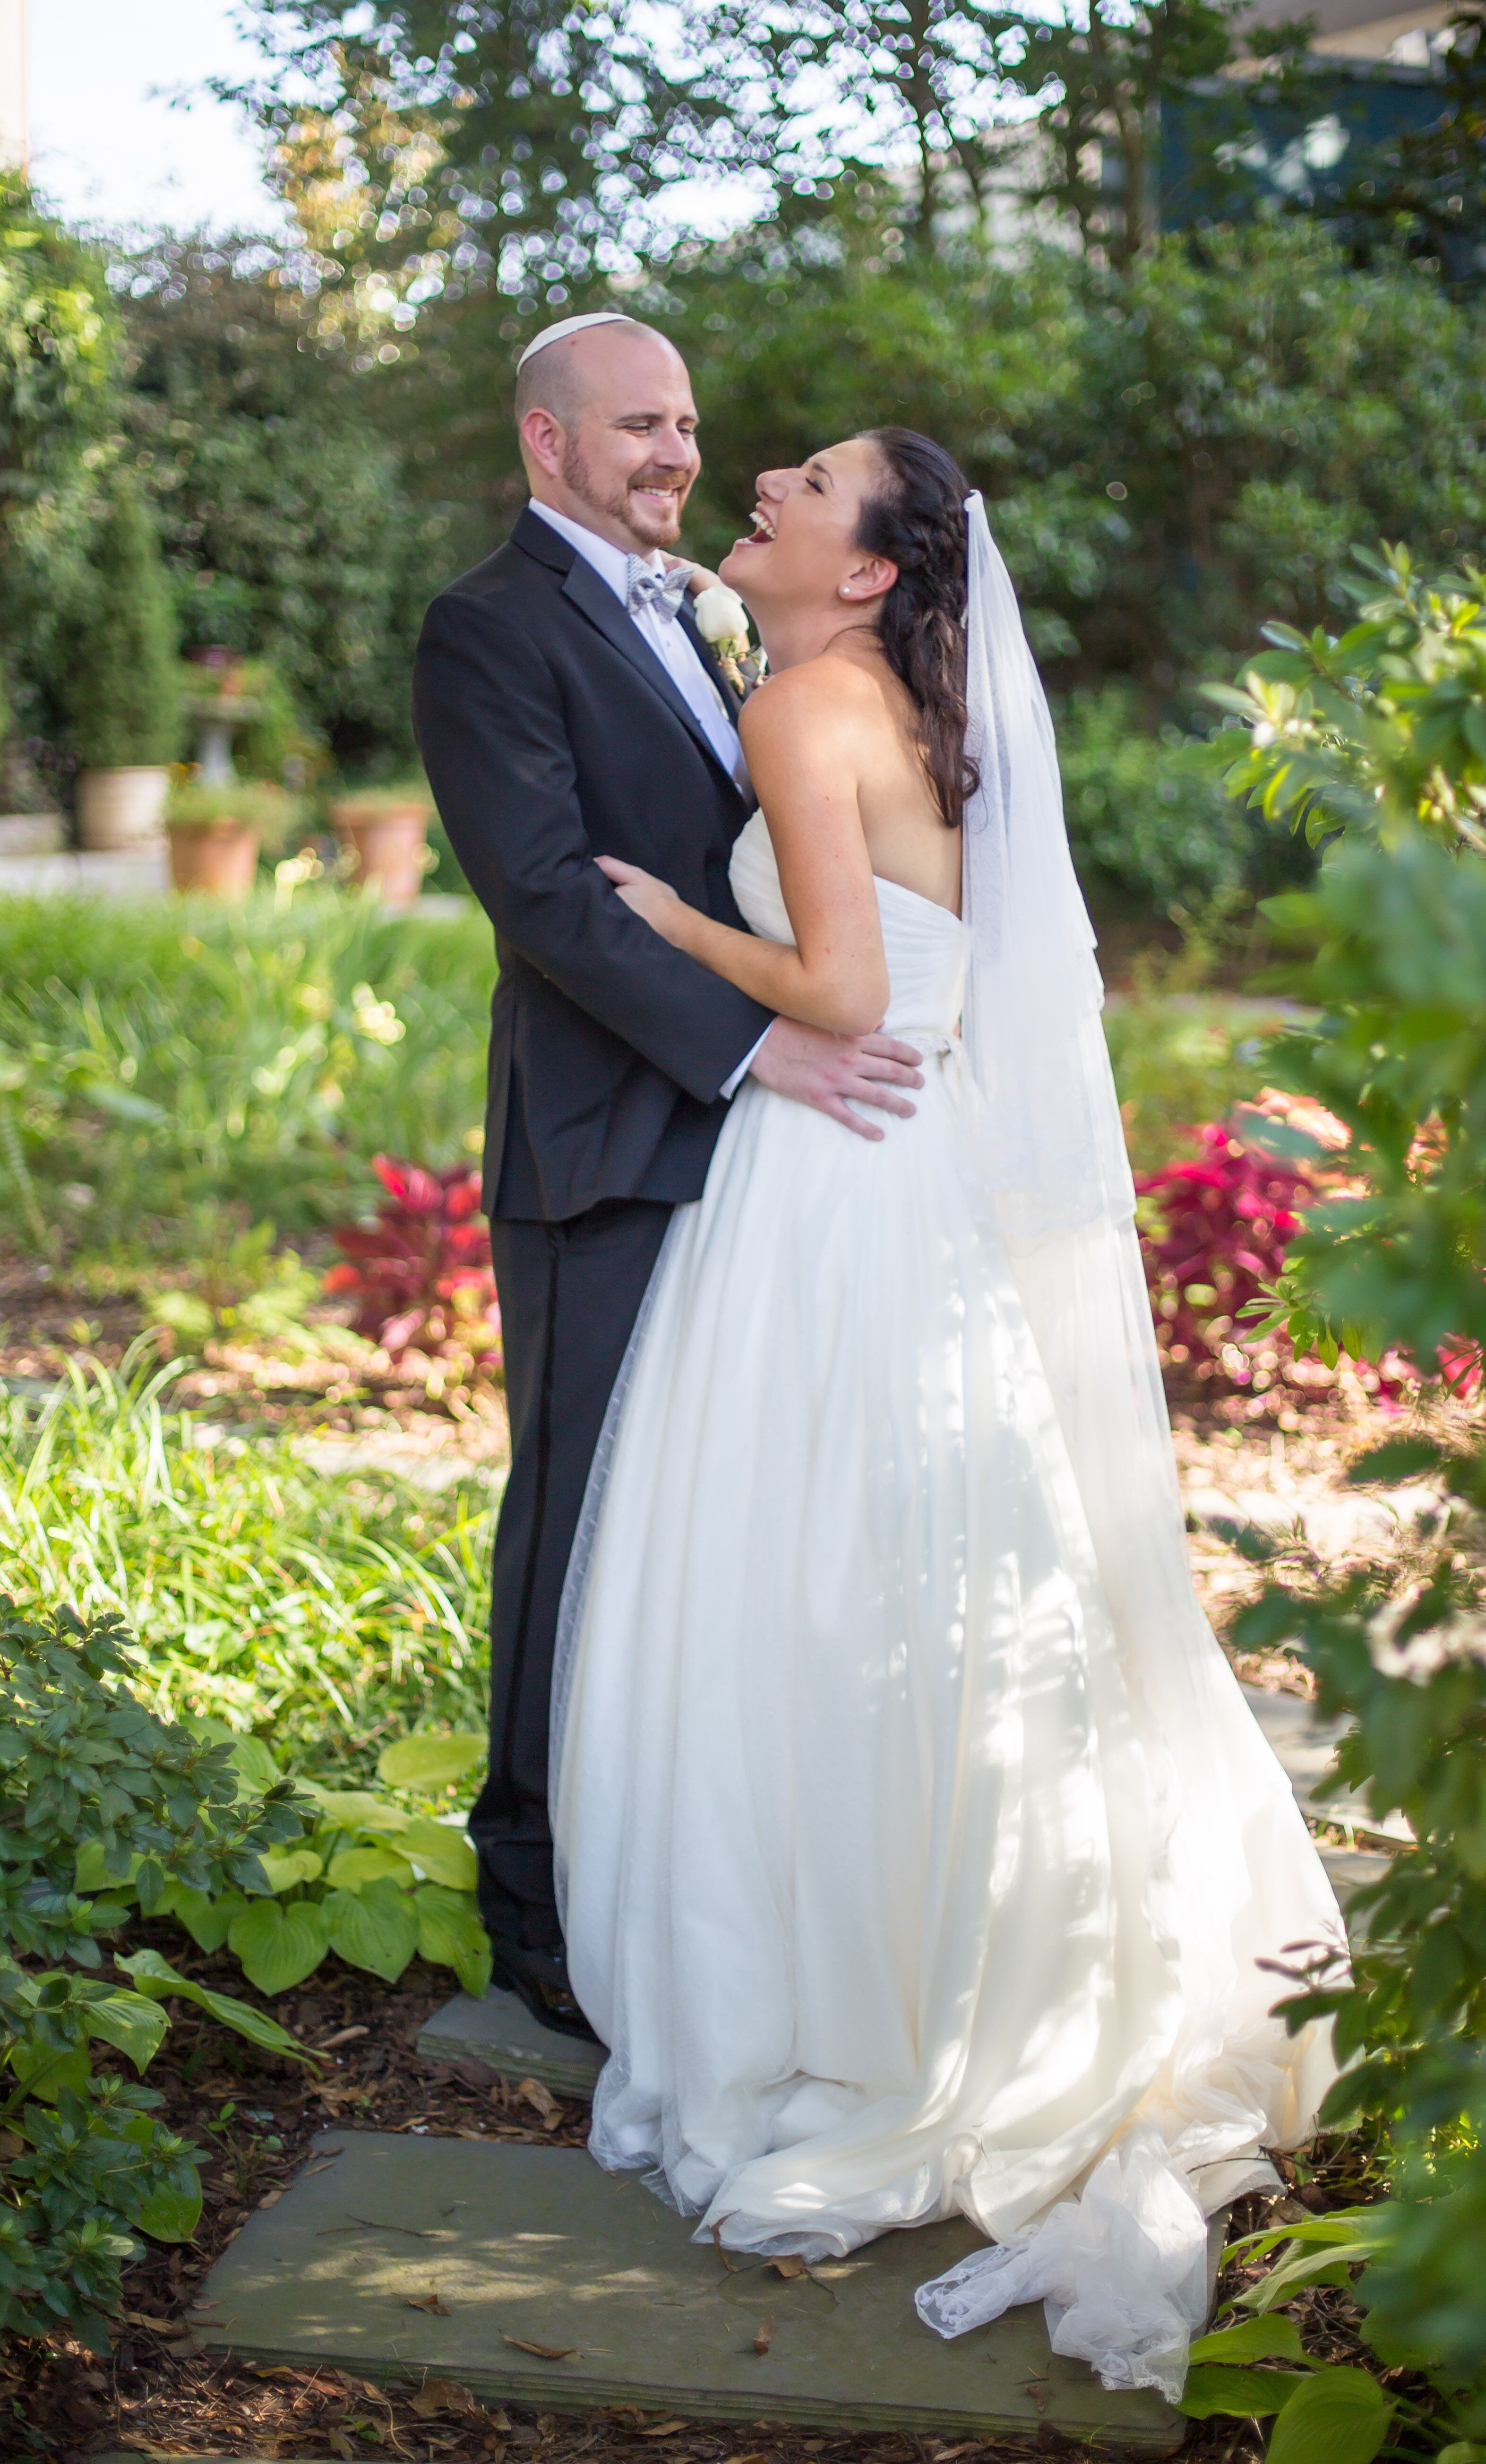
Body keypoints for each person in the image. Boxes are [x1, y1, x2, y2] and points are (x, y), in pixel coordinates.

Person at [549, 425, 1344, 2399]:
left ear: (874, 568)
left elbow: (833, 987)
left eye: (804, 481)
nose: (761, 482)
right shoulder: (874, 700)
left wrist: (658, 925)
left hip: (833, 1183)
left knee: (807, 1575)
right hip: (904, 1193)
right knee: (916, 1578)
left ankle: (843, 2005)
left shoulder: (811, 698)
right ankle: (924, 1969)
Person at [412, 316, 928, 2032]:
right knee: (577, 1521)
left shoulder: (719, 623)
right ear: (545, 443)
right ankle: (541, 1912)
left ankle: (682, 1874)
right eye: (636, 427)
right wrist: (755, 1045)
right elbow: (549, 899)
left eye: (690, 424)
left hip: (762, 1170)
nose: (677, 456)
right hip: (607, 1148)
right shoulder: (487, 630)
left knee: (701, 1538)